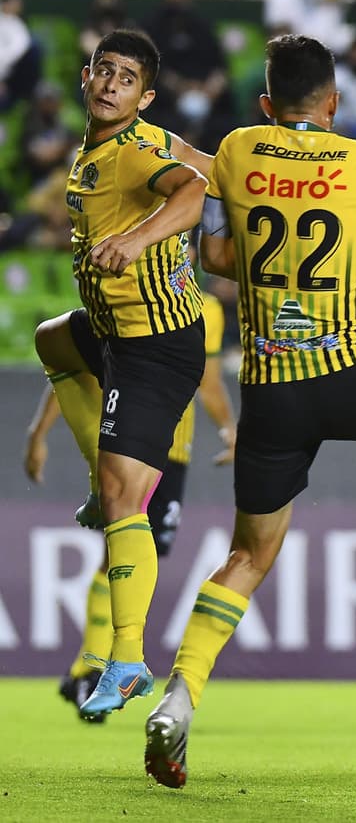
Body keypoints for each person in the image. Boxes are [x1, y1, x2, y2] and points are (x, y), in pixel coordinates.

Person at [143, 34, 356, 790]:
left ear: (269, 104)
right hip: (350, 368)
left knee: (247, 556)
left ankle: (179, 696)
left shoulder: (238, 148)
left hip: (270, 390)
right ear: (333, 103)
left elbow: (214, 257)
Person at [33, 29, 212, 719]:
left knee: (123, 501)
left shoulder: (136, 150)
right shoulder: (96, 151)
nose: (111, 83)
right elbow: (207, 164)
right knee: (53, 341)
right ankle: (97, 484)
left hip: (156, 344)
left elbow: (194, 190)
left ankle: (128, 657)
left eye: (126, 77)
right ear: (85, 78)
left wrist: (138, 238)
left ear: (145, 96)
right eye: (103, 71)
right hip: (110, 332)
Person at [25, 291, 236, 722]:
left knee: (116, 551)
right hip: (164, 445)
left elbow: (68, 368)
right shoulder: (202, 309)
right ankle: (97, 665)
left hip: (117, 436)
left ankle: (87, 667)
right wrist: (230, 427)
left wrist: (39, 432)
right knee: (133, 547)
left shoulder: (116, 298)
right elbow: (208, 381)